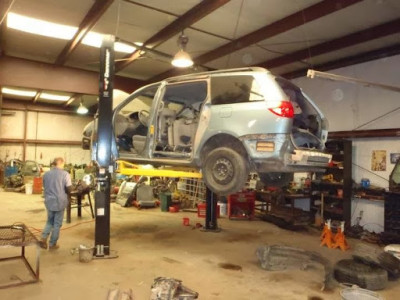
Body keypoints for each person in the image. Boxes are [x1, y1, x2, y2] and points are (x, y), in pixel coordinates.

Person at [39, 157, 72, 250]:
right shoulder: (65, 174)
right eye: (63, 164)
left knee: (49, 221)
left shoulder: (46, 174)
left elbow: (45, 187)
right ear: (61, 163)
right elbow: (69, 189)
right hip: (59, 202)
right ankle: (52, 244)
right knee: (57, 224)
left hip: (49, 201)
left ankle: (43, 238)